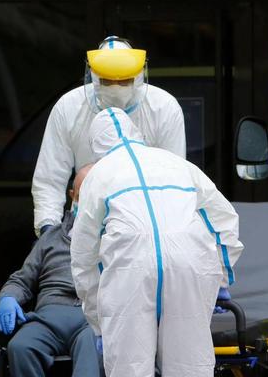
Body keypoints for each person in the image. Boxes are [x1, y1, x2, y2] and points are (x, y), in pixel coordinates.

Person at [70, 108, 242, 377]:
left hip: (130, 271)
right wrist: (218, 275)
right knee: (190, 369)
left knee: (128, 371)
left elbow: (82, 253)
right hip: (188, 266)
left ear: (97, 146)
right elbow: (225, 220)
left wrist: (97, 317)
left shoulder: (98, 176)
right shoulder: (176, 164)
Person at [32, 36, 186, 237]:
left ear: (140, 75)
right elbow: (49, 180)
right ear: (93, 76)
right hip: (85, 223)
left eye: (124, 81)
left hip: (145, 226)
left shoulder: (163, 108)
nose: (115, 87)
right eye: (107, 81)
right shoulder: (68, 108)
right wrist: (48, 234)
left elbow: (175, 181)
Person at [0, 165, 101, 377]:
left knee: (93, 342)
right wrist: (9, 298)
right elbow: (22, 279)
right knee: (20, 345)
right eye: (83, 192)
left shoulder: (115, 235)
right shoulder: (51, 238)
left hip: (90, 313)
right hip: (48, 313)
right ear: (72, 195)